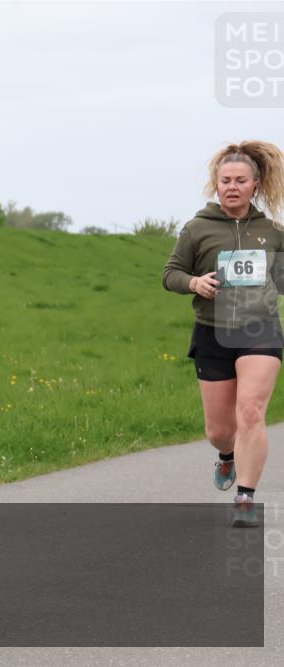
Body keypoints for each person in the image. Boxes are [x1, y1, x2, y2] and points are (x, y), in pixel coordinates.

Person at [163, 140, 284, 527]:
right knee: (219, 430)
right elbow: (170, 274)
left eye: (240, 181)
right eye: (226, 180)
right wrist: (194, 282)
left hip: (260, 330)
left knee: (251, 411)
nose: (232, 187)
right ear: (216, 184)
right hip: (213, 332)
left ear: (255, 185)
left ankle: (245, 498)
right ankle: (226, 456)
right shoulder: (197, 229)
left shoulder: (272, 232)